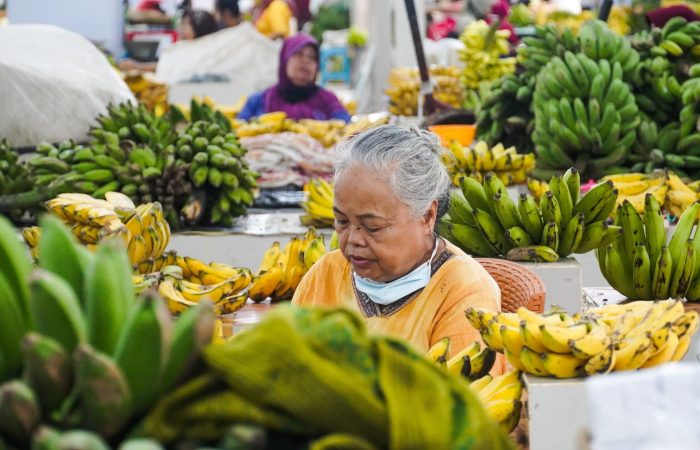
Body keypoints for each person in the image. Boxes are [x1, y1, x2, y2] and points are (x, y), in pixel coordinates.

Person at [292, 125, 505, 364]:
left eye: (373, 227)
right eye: (342, 222)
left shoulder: (465, 293)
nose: (352, 240)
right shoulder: (326, 274)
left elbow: (463, 395)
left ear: (427, 216)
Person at [237, 33, 350, 122]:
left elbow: (347, 130)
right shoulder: (258, 101)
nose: (305, 61)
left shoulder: (328, 100)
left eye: (312, 57)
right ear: (284, 60)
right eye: (298, 54)